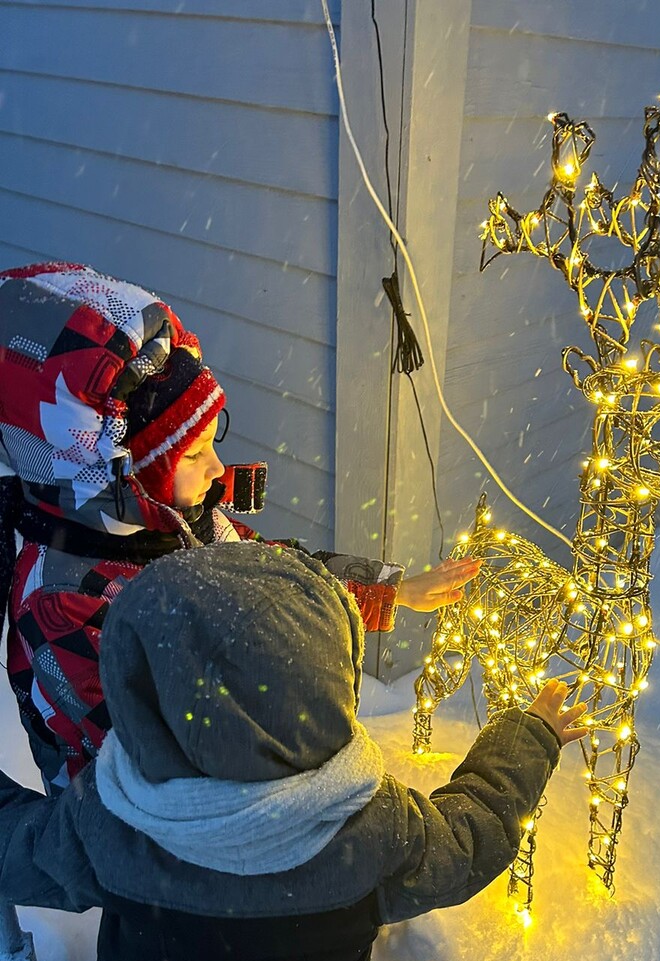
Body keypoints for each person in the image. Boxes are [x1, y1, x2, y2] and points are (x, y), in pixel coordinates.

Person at [0, 540, 587, 961]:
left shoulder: (115, 824)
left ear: (143, 689)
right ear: (326, 685)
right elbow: (472, 837)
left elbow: (15, 848)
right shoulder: (369, 831)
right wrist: (526, 737)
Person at [0, 262, 478, 796]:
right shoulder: (61, 599)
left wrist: (390, 593)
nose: (219, 471)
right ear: (126, 473)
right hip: (124, 834)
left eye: (214, 440)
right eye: (195, 452)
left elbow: (276, 576)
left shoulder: (172, 524)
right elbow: (142, 761)